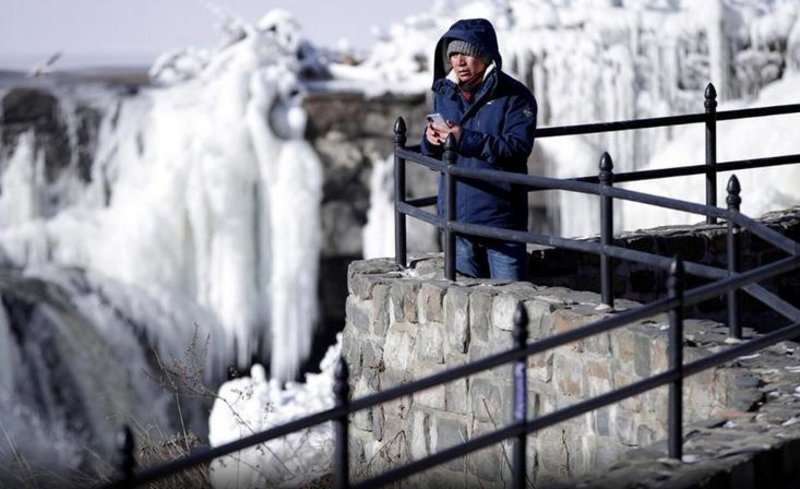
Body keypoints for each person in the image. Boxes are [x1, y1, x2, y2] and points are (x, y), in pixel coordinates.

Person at [421, 18, 537, 280]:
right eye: (454, 55)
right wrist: (431, 141)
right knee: (463, 298)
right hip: (456, 218)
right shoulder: (445, 93)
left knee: (512, 298)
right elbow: (433, 157)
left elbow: (518, 148)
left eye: (468, 53)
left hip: (501, 221)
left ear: (485, 55)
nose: (459, 62)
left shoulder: (516, 97)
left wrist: (464, 138)